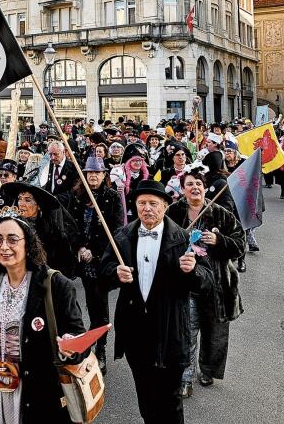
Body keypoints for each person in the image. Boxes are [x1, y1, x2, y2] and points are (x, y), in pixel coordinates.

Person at [100, 180, 213, 424]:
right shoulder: (123, 235)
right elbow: (104, 269)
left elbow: (207, 280)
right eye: (142, 203)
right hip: (135, 333)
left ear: (164, 207)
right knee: (146, 397)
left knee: (170, 403)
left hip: (171, 332)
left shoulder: (183, 239)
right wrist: (114, 272)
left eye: (153, 203)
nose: (147, 208)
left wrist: (193, 270)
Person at [0, 216, 88, 423]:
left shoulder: (56, 284)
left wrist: (70, 344)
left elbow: (77, 333)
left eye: (12, 240)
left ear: (28, 244)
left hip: (36, 386)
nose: (4, 247)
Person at [166, 171, 246, 398]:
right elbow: (163, 244)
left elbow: (240, 245)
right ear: (182, 189)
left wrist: (219, 240)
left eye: (198, 184)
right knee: (187, 333)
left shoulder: (221, 214)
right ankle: (185, 378)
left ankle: (208, 370)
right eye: (189, 184)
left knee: (214, 334)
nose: (194, 188)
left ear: (205, 187)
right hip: (186, 286)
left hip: (216, 288)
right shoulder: (173, 212)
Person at [67, 157, 124, 373]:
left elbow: (116, 230)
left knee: (99, 309)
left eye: (97, 173)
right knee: (73, 304)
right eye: (89, 172)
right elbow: (70, 225)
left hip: (101, 261)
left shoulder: (112, 197)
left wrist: (96, 252)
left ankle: (100, 348)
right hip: (79, 258)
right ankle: (81, 341)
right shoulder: (76, 195)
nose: (93, 176)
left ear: (104, 175)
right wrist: (80, 246)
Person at [0, 181, 79, 278]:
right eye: (20, 199)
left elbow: (63, 266)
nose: (21, 204)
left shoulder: (52, 232)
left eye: (27, 200)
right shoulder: (12, 226)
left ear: (39, 205)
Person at [43, 140, 79, 207]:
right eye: (50, 154)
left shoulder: (74, 168)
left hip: (66, 207)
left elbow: (74, 191)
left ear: (63, 152)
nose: (53, 157)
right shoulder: (47, 166)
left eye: (56, 154)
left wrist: (56, 198)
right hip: (49, 207)